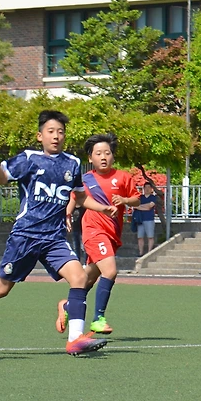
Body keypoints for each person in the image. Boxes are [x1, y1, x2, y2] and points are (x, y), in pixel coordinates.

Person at [0, 110, 109, 357]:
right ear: (40, 136)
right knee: (1, 289)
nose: (56, 136)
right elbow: (1, 179)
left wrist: (101, 207)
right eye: (51, 132)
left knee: (79, 278)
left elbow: (80, 197)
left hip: (54, 239)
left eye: (60, 132)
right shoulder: (29, 158)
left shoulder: (72, 163)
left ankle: (75, 340)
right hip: (26, 236)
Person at [63, 133, 139, 337]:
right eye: (98, 153)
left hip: (113, 233)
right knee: (111, 271)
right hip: (93, 230)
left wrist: (125, 200)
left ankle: (68, 305)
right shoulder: (86, 179)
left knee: (88, 278)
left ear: (113, 156)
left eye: (107, 152)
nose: (103, 156)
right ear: (90, 158)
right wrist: (68, 213)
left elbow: (136, 200)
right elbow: (75, 198)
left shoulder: (124, 177)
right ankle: (98, 318)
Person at [133, 180, 159, 255]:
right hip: (140, 219)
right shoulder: (140, 198)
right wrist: (144, 207)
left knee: (150, 237)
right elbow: (135, 206)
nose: (147, 189)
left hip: (149, 219)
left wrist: (140, 207)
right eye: (145, 188)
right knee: (140, 237)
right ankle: (140, 252)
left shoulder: (153, 197)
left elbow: (150, 206)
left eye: (149, 187)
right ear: (143, 189)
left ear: (151, 189)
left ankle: (149, 252)